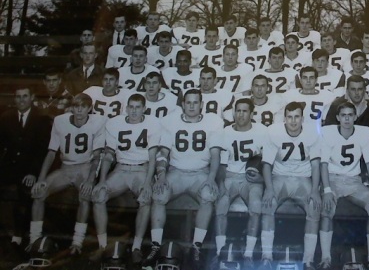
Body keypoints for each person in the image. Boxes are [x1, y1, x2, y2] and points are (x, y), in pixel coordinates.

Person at [146, 89, 223, 269]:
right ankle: (156, 245)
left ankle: (197, 246)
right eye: (188, 102)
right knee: (159, 194)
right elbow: (163, 153)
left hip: (200, 172)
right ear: (182, 104)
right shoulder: (170, 122)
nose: (191, 106)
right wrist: (162, 176)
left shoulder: (213, 122)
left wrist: (211, 178)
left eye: (195, 103)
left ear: (202, 105)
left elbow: (215, 155)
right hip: (176, 172)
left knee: (208, 195)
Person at [29, 94, 105, 255]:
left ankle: (77, 241)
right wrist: (41, 179)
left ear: (89, 109)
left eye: (83, 107)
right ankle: (34, 239)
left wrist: (91, 180)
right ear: (71, 107)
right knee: (39, 193)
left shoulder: (98, 122)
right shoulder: (60, 121)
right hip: (65, 168)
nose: (79, 110)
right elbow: (51, 153)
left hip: (85, 167)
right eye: (76, 106)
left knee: (85, 195)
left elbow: (97, 156)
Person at [91, 94, 160, 266]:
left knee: (145, 198)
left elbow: (152, 158)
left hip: (142, 168)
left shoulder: (152, 123)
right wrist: (102, 181)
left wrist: (147, 183)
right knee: (98, 195)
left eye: (138, 107)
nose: (134, 111)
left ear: (144, 108)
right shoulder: (115, 123)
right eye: (131, 107)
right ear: (126, 108)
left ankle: (136, 247)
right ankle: (103, 245)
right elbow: (108, 155)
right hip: (121, 169)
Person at [319, 102, 369, 270]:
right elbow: (323, 164)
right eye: (343, 115)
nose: (347, 119)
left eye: (350, 115)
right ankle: (326, 258)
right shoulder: (327, 133)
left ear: (355, 117)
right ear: (338, 118)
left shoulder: (365, 133)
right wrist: (326, 190)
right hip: (333, 178)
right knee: (326, 209)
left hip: (354, 181)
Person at [260, 102, 322, 270]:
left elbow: (316, 164)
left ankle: (308, 260)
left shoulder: (312, 133)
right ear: (284, 118)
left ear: (302, 118)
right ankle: (266, 256)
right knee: (268, 204)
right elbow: (266, 164)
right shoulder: (274, 132)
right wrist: (269, 189)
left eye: (296, 117)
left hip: (303, 178)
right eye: (289, 117)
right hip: (280, 176)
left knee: (314, 207)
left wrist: (315, 190)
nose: (293, 121)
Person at [210, 98, 267, 269]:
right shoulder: (226, 132)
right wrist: (220, 184)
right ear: (234, 112)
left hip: (251, 179)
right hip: (230, 175)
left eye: (244, 111)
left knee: (256, 206)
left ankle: (248, 254)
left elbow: (268, 161)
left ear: (251, 113)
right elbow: (222, 164)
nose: (241, 115)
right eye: (238, 111)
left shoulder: (262, 131)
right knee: (221, 204)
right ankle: (220, 251)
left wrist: (261, 179)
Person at [0, 86, 51, 258]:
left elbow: (43, 150)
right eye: (18, 97)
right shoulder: (6, 118)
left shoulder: (41, 118)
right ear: (14, 99)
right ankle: (6, 233)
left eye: (25, 96)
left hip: (30, 168)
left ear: (32, 98)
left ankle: (19, 235)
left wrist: (33, 173)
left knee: (25, 192)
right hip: (11, 166)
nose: (21, 100)